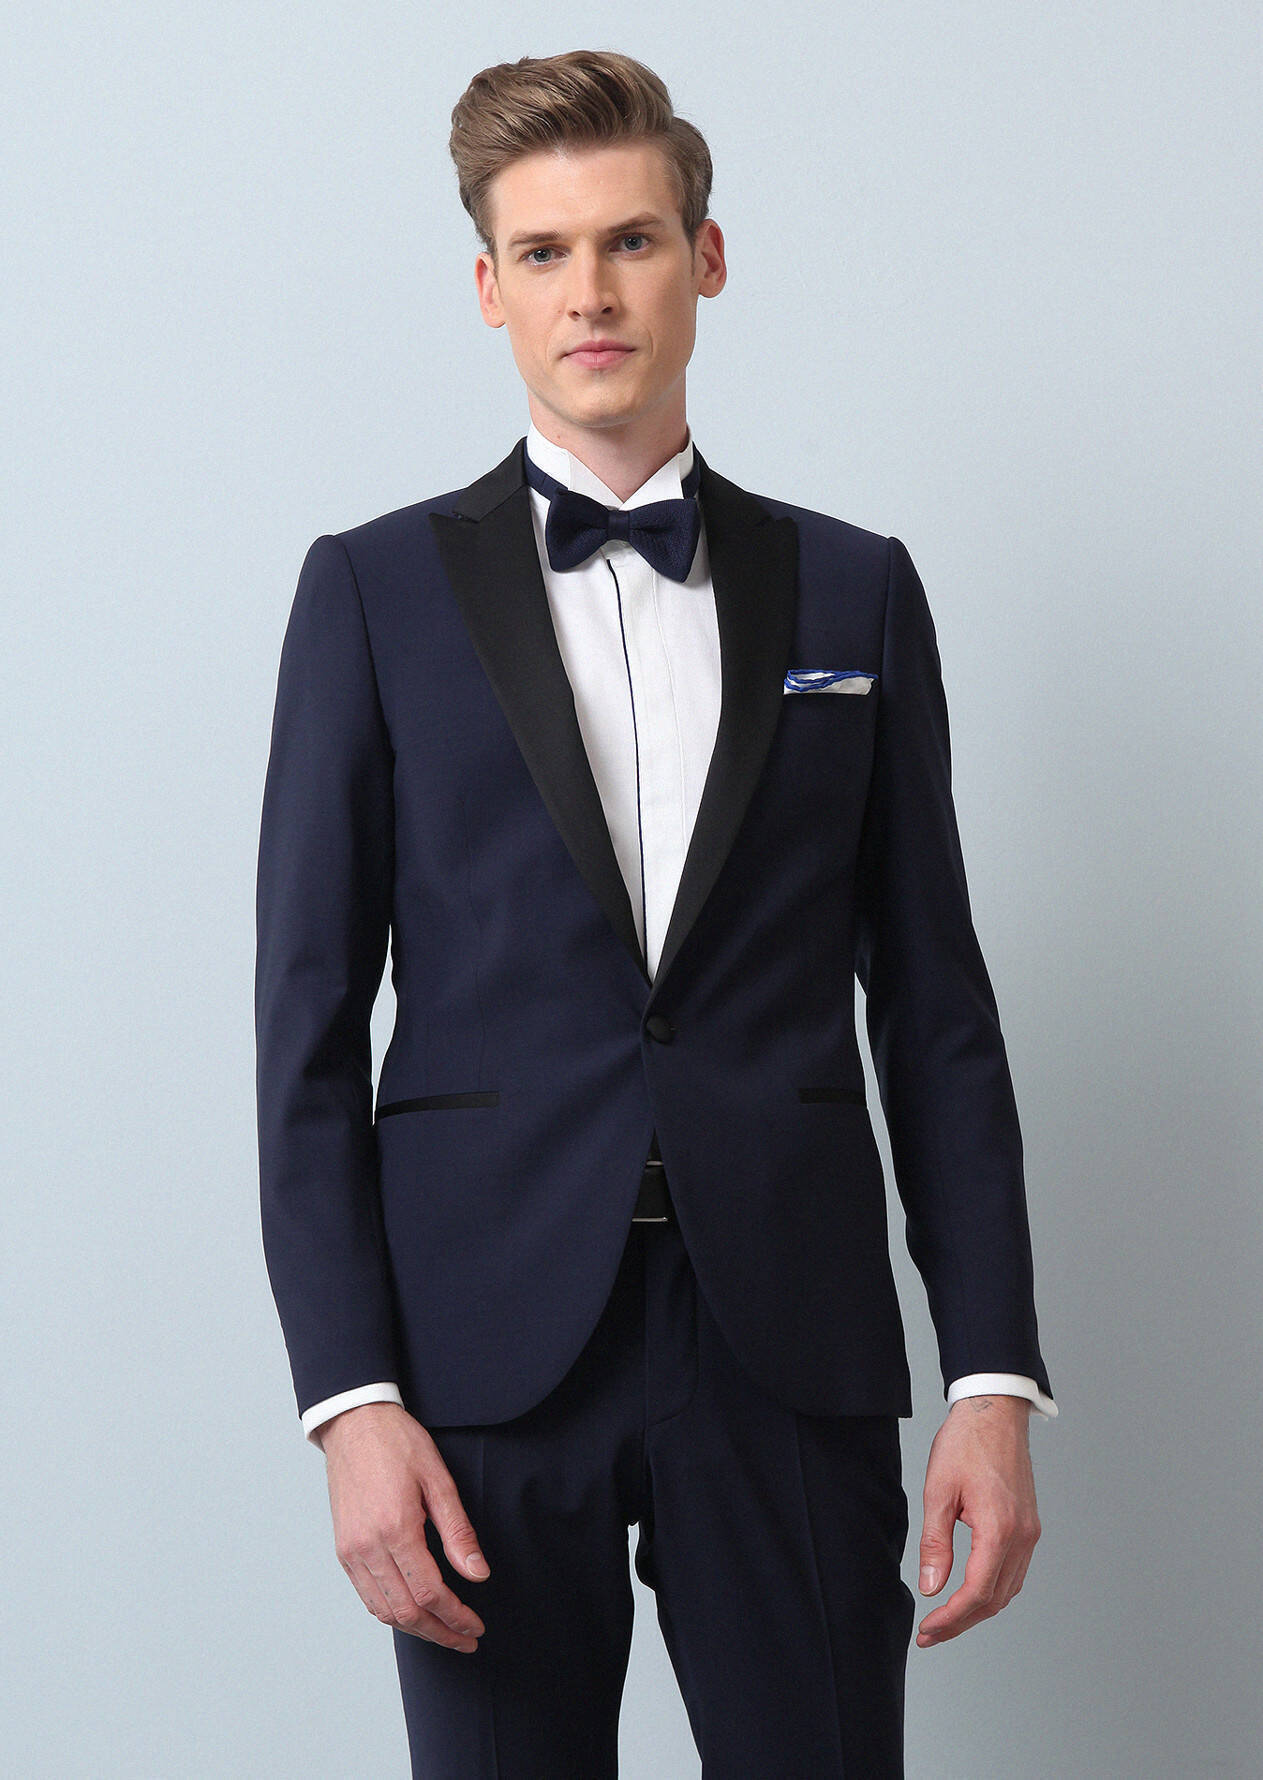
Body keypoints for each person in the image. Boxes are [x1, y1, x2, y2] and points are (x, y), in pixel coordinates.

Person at [254, 48, 1057, 1779]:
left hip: (787, 1343)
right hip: (480, 1365)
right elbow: (304, 1034)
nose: (592, 293)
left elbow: (938, 1013)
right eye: (542, 253)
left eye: (629, 241)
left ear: (706, 256)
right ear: (489, 288)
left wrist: (993, 1379)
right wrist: (349, 1402)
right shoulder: (372, 595)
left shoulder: (855, 590)